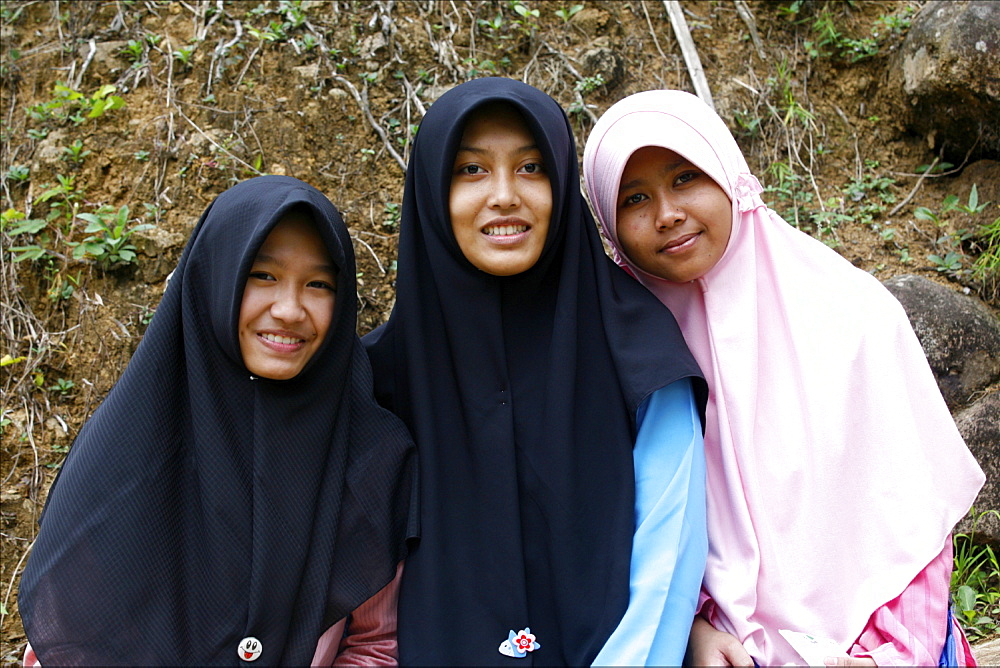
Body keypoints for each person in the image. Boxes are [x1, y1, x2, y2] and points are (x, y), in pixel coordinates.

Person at [582, 89, 986, 666]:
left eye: (686, 178)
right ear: (608, 222)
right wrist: (690, 632)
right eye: (635, 197)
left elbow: (913, 526)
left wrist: (892, 656)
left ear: (730, 175)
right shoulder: (616, 358)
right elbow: (620, 533)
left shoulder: (852, 316)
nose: (667, 213)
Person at [362, 77, 709, 666]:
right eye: (471, 170)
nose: (504, 196)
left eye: (530, 168)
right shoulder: (380, 376)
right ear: (429, 192)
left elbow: (669, 547)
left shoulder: (634, 344)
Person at [18, 175, 418, 666]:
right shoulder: (127, 452)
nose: (290, 309)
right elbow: (66, 638)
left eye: (318, 284)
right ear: (215, 278)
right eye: (263, 276)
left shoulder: (372, 459)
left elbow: (374, 646)